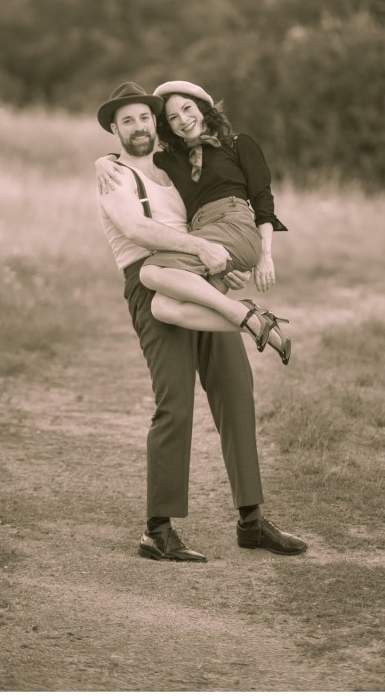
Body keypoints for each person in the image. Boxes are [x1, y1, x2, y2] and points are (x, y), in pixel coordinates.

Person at [95, 81, 308, 561]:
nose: (138, 126)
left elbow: (212, 219)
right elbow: (135, 229)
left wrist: (217, 260)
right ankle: (157, 529)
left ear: (157, 123)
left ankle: (252, 521)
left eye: (145, 118)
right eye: (126, 120)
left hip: (195, 278)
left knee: (235, 390)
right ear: (114, 129)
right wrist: (201, 249)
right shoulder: (112, 175)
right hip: (150, 281)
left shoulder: (173, 171)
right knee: (175, 403)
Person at [96, 80, 291, 365]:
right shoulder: (173, 160)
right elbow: (133, 156)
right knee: (162, 307)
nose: (183, 120)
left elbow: (263, 203)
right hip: (207, 238)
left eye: (187, 109)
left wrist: (265, 256)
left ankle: (244, 313)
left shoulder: (238, 145)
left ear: (203, 108)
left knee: (150, 273)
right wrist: (103, 161)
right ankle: (257, 321)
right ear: (168, 126)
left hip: (234, 227)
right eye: (173, 118)